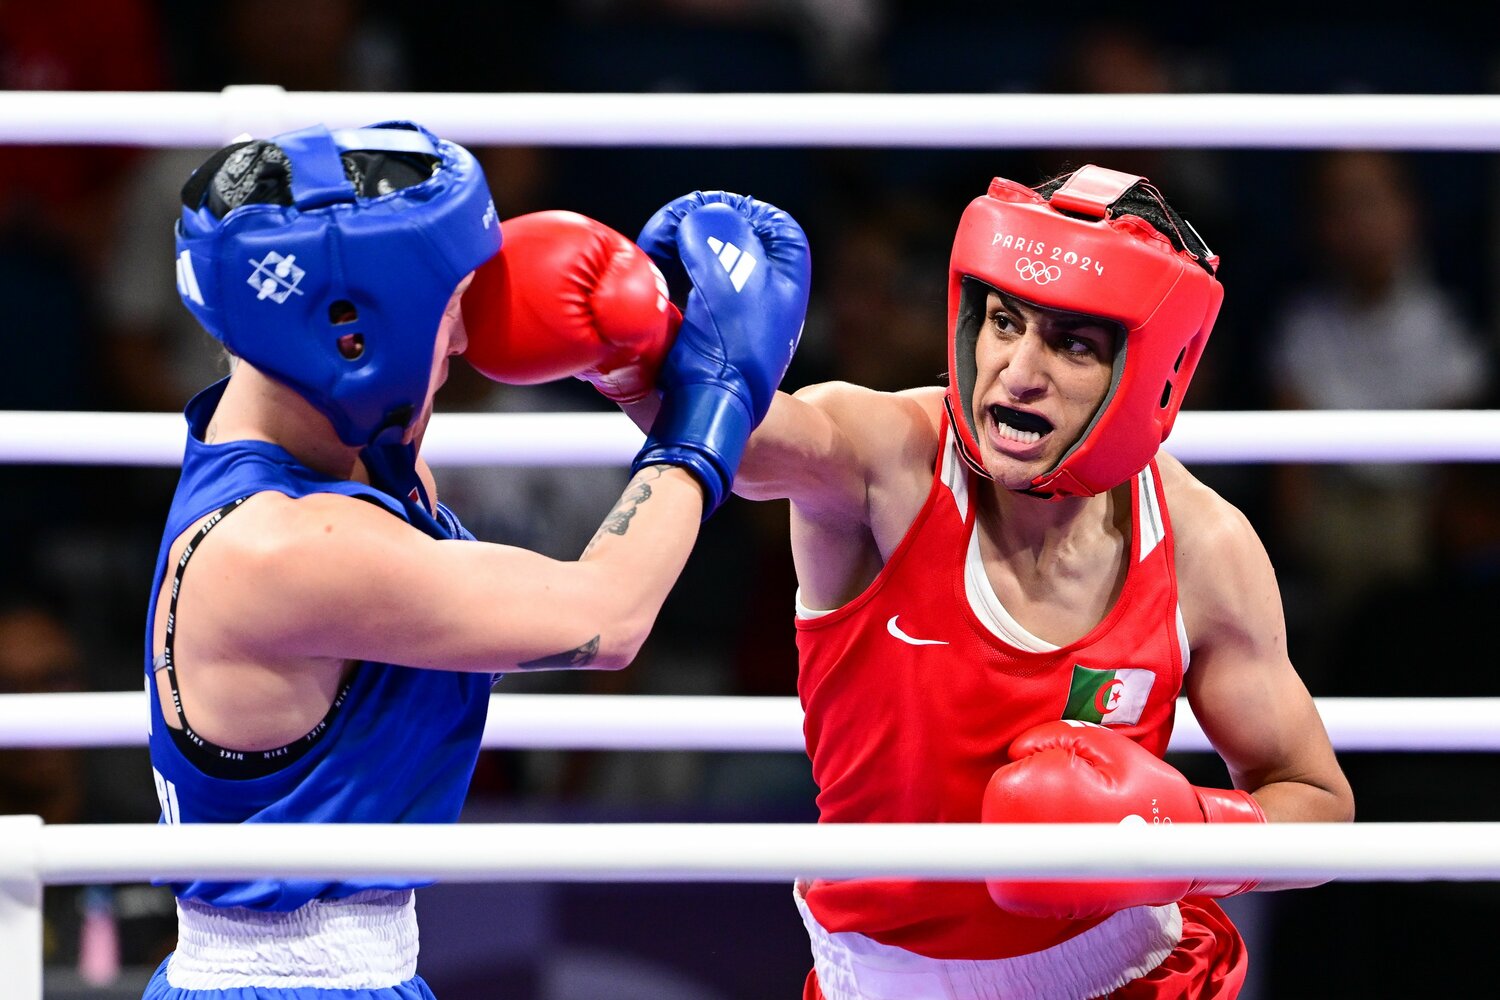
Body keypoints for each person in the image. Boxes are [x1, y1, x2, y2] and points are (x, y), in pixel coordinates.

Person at [612, 171, 1354, 998]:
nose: (1017, 372)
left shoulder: (1203, 544)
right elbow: (749, 445)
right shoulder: (887, 461)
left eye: (1073, 344)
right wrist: (627, 348)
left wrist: (1183, 835)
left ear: (1151, 371)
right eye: (1004, 322)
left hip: (1133, 975)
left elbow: (1317, 805)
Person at [142, 121, 809, 998]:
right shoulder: (283, 547)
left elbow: (491, 617)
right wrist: (708, 414)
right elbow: (603, 619)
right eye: (448, 308)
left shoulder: (347, 463)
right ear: (352, 335)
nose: (464, 341)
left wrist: (630, 368)